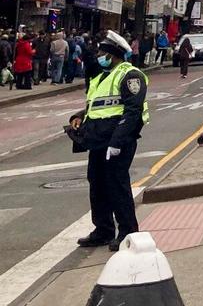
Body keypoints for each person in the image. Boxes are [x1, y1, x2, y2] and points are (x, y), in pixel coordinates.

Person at [70, 31, 148, 252]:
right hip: (98, 141)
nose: (99, 56)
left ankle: (128, 231)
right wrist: (78, 117)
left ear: (113, 54)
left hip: (118, 141)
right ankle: (103, 230)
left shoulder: (130, 75)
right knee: (97, 185)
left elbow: (133, 112)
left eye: (102, 52)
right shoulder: (102, 76)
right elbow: (96, 106)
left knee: (117, 185)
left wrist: (117, 142)